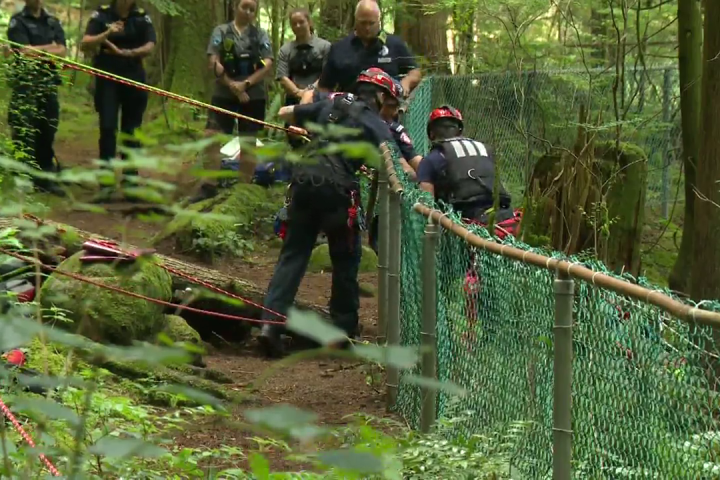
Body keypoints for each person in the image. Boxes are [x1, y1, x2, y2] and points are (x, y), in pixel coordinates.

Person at [257, 69, 396, 358]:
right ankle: (342, 332)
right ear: (380, 96)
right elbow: (393, 162)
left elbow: (285, 112)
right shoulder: (375, 123)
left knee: (293, 255)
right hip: (338, 192)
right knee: (346, 257)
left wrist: (306, 130)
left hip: (304, 184)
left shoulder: (330, 105)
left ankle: (270, 325)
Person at [81, 0, 156, 200]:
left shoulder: (141, 16)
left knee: (131, 130)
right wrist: (107, 33)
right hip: (107, 77)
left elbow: (150, 45)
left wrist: (128, 53)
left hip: (134, 76)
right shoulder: (102, 14)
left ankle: (130, 181)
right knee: (107, 128)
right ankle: (106, 183)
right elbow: (85, 42)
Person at [300, 0, 421, 103]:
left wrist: (406, 83)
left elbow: (415, 72)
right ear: (356, 20)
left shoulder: (394, 44)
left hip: (387, 116)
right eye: (363, 23)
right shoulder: (340, 49)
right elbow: (324, 87)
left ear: (379, 21)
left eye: (371, 23)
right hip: (349, 114)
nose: (367, 28)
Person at [417, 105, 516, 228]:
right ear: (459, 131)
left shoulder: (431, 159)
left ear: (431, 134)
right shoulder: (485, 149)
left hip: (467, 222)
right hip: (505, 215)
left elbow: (426, 202)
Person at [6, 0, 67, 195]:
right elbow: (24, 52)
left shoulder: (52, 21)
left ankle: (45, 178)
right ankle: (22, 178)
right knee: (23, 130)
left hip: (48, 84)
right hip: (26, 84)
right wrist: (51, 48)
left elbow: (63, 51)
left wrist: (39, 50)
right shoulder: (18, 21)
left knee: (47, 129)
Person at [206, 0, 273, 137]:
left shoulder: (260, 34)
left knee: (248, 141)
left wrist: (246, 83)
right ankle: (212, 159)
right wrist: (233, 85)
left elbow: (268, 62)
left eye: (252, 9)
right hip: (224, 91)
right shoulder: (221, 31)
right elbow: (213, 59)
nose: (247, 12)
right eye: (244, 7)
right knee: (212, 136)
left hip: (252, 94)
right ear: (235, 7)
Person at [276, 8, 330, 150]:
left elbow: (327, 73)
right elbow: (282, 76)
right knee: (295, 140)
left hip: (318, 100)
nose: (298, 26)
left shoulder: (324, 47)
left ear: (309, 22)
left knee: (317, 142)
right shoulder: (285, 50)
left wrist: (310, 91)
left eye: (301, 22)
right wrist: (298, 93)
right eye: (294, 23)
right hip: (293, 102)